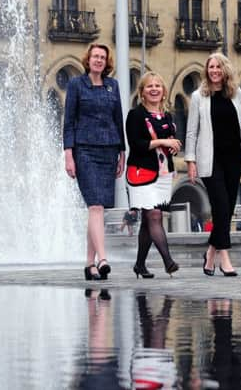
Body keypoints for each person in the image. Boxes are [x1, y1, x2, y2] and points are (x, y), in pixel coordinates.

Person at [63, 42, 125, 281]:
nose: (98, 60)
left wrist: (122, 153)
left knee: (97, 210)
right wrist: (69, 154)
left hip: (109, 150)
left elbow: (118, 120)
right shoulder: (76, 84)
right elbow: (69, 121)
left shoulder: (113, 86)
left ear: (106, 62)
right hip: (84, 150)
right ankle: (103, 258)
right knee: (95, 206)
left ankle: (89, 264)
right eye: (95, 56)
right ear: (87, 60)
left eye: (102, 57)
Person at [185, 53, 241, 277]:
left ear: (225, 70)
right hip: (210, 160)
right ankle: (225, 257)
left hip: (234, 157)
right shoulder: (198, 97)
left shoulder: (236, 93)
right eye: (210, 67)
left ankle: (211, 252)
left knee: (227, 209)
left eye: (217, 67)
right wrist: (190, 161)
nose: (214, 70)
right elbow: (192, 131)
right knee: (221, 205)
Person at [126, 71, 181, 278]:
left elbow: (169, 142)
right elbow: (137, 145)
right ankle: (168, 261)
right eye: (149, 86)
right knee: (154, 215)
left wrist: (173, 146)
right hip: (141, 172)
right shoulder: (136, 115)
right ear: (142, 92)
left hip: (163, 173)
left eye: (158, 86)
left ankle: (140, 265)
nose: (154, 89)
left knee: (149, 220)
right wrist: (163, 142)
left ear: (164, 91)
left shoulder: (168, 116)